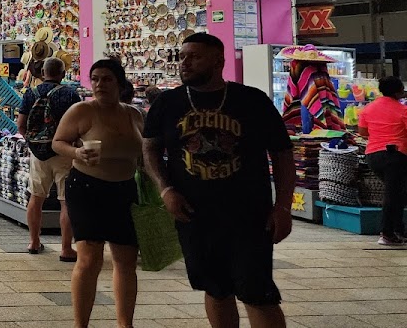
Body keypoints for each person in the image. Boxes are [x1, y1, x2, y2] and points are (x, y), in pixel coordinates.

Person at [143, 33, 295, 328]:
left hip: (249, 214)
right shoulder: (168, 103)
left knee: (257, 292)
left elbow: (282, 154)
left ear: (218, 61)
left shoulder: (251, 101)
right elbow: (149, 148)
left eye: (194, 57)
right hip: (194, 214)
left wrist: (283, 207)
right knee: (215, 288)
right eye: (182, 57)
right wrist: (165, 189)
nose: (185, 63)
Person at [52, 59, 144, 328]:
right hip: (87, 189)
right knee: (90, 258)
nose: (99, 84)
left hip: (124, 189)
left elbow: (144, 152)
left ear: (120, 83)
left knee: (126, 260)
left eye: (107, 79)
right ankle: (80, 324)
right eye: (95, 79)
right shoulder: (82, 110)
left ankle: (125, 324)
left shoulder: (134, 115)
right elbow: (58, 142)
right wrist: (77, 152)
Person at [15, 57, 81, 261]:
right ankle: (66, 248)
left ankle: (34, 242)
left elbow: (20, 125)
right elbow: (79, 125)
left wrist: (34, 143)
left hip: (38, 154)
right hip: (64, 152)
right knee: (66, 201)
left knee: (36, 197)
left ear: (43, 73)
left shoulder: (30, 93)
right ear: (63, 74)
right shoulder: (70, 94)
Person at [358, 76, 407, 245]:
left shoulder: (368, 108)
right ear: (398, 92)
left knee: (398, 192)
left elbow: (363, 132)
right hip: (395, 155)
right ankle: (387, 233)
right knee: (393, 194)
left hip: (373, 155)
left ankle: (399, 230)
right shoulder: (402, 110)